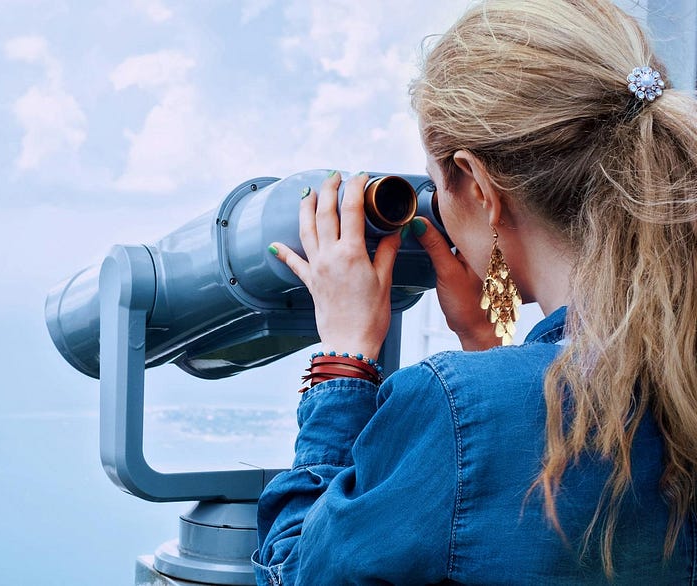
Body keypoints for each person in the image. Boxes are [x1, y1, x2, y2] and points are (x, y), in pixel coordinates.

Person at [255, 0, 697, 583]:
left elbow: (297, 572)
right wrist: (489, 351)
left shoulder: (453, 407)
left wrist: (345, 360)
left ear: (481, 186)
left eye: (438, 188)